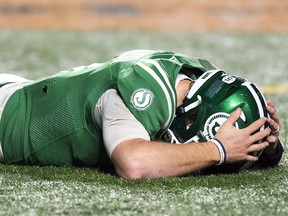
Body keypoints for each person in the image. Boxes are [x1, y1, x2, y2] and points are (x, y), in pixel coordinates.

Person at [0, 50, 284, 179]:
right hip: (6, 120)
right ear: (197, 115)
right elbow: (133, 164)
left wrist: (267, 145)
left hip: (19, 89)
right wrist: (217, 149)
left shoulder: (191, 79)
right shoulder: (139, 92)